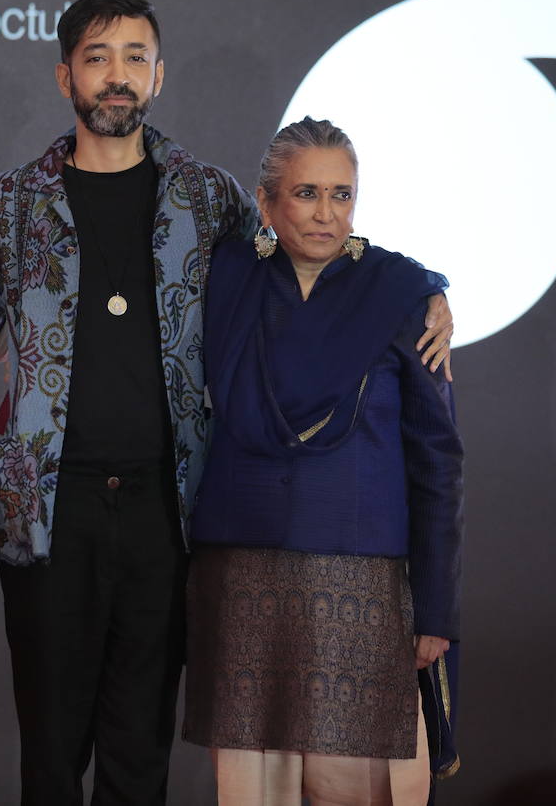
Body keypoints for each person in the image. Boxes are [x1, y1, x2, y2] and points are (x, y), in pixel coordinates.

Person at [0, 0, 453, 804]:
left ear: (159, 75)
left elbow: (305, 243)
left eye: (135, 58)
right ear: (65, 73)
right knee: (48, 746)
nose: (117, 77)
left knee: (141, 746)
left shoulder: (206, 197)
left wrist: (425, 289)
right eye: (99, 58)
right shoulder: (8, 204)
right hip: (44, 506)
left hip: (168, 507)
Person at [182, 117, 463, 806]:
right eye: (307, 193)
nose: (326, 213)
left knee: (365, 786)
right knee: (252, 782)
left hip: (363, 582)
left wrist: (435, 607)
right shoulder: (224, 281)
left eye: (342, 195)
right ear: (266, 201)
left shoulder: (401, 297)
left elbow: (437, 464)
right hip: (243, 573)